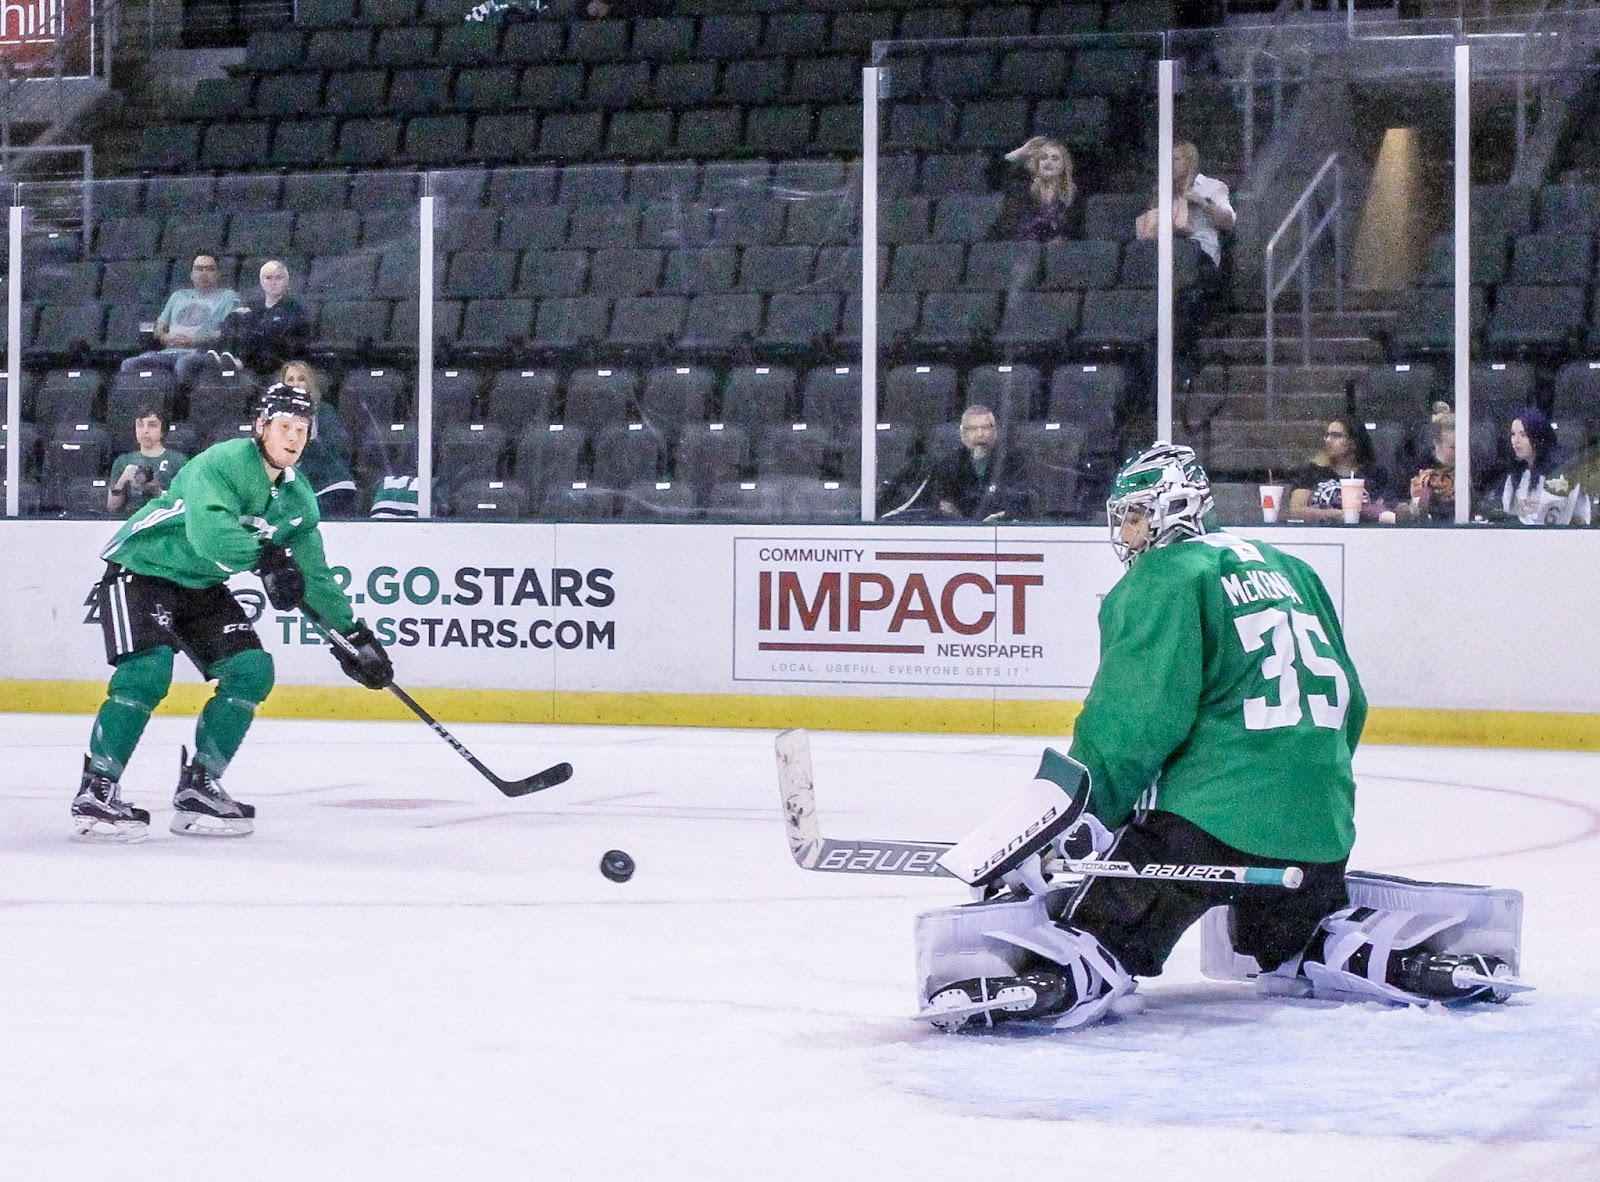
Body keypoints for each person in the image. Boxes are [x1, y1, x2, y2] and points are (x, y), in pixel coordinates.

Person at [918, 443, 1520, 1031]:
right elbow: (1351, 706)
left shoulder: (1167, 577)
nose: (1126, 534)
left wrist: (1079, 818)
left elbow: (1135, 721)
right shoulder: (1295, 571)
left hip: (1202, 833)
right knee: (1287, 939)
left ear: (1173, 512)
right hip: (1319, 833)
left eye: (1135, 516)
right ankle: (1354, 946)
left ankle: (1058, 972)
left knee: (1101, 929)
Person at [70, 384, 394, 843]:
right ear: (261, 427)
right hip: (143, 569)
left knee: (251, 669)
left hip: (200, 585)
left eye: (302, 429)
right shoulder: (220, 463)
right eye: (284, 426)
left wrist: (354, 638)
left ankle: (199, 785)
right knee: (147, 672)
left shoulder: (298, 499)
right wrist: (265, 558)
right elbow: (210, 534)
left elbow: (315, 577)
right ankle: (96, 789)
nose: (293, 437)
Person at [1135, 141, 1235, 357]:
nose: (1170, 164)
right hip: (1166, 253)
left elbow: (1229, 221)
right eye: (1167, 160)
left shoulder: (1212, 186)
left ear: (1189, 161)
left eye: (1176, 159)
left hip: (1198, 254)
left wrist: (1201, 202)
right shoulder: (1160, 190)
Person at [120, 255, 240, 387]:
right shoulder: (178, 296)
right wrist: (165, 338)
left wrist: (194, 341)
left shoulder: (228, 297)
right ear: (191, 274)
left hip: (201, 353)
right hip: (169, 352)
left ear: (218, 274)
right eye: (199, 269)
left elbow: (226, 332)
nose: (203, 274)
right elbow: (160, 327)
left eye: (209, 269)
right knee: (130, 364)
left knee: (184, 364)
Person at [1485, 406, 1590, 526]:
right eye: (1513, 434)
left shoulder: (1559, 475)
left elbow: (1549, 523)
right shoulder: (1515, 477)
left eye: (1523, 434)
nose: (1516, 440)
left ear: (1537, 436)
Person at [278, 360, 358, 518]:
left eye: (301, 379)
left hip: (330, 488)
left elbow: (332, 448)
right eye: (290, 379)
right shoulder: (277, 418)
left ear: (310, 383)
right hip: (300, 490)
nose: (296, 384)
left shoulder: (324, 411)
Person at [929, 405, 1027, 521]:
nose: (980, 434)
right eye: (972, 429)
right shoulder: (949, 464)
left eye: (985, 428)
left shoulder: (1014, 461)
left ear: (995, 432)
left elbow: (1021, 499)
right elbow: (941, 505)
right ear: (962, 435)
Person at [1287, 416, 1389, 524]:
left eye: (1336, 436)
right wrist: (1340, 514)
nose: (1328, 440)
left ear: (1354, 442)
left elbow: (1385, 509)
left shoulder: (1374, 473)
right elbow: (1296, 510)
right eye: (1327, 435)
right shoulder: (1313, 471)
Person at [223, 260, 311, 377]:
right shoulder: (254, 307)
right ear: (261, 281)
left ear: (286, 281)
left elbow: (284, 340)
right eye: (268, 278)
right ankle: (226, 359)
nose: (273, 282)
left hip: (278, 362)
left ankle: (239, 362)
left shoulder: (294, 308)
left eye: (279, 278)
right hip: (254, 360)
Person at [993, 136, 1083, 243]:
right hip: (1023, 252)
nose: (1048, 162)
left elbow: (1078, 232)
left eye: (1055, 158)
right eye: (1044, 158)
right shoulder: (1021, 190)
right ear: (1037, 164)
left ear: (1064, 165)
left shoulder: (1074, 194)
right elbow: (994, 175)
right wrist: (1020, 152)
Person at [1380, 402, 1455, 524]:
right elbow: (1390, 500)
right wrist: (1413, 499)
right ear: (1437, 444)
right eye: (1453, 448)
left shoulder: (1470, 468)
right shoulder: (1413, 466)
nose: (1460, 453)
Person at [106, 406, 188, 516]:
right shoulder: (123, 461)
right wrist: (121, 482)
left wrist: (157, 491)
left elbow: (186, 504)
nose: (145, 430)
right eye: (140, 425)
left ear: (163, 430)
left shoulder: (178, 461)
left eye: (152, 425)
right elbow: (112, 508)